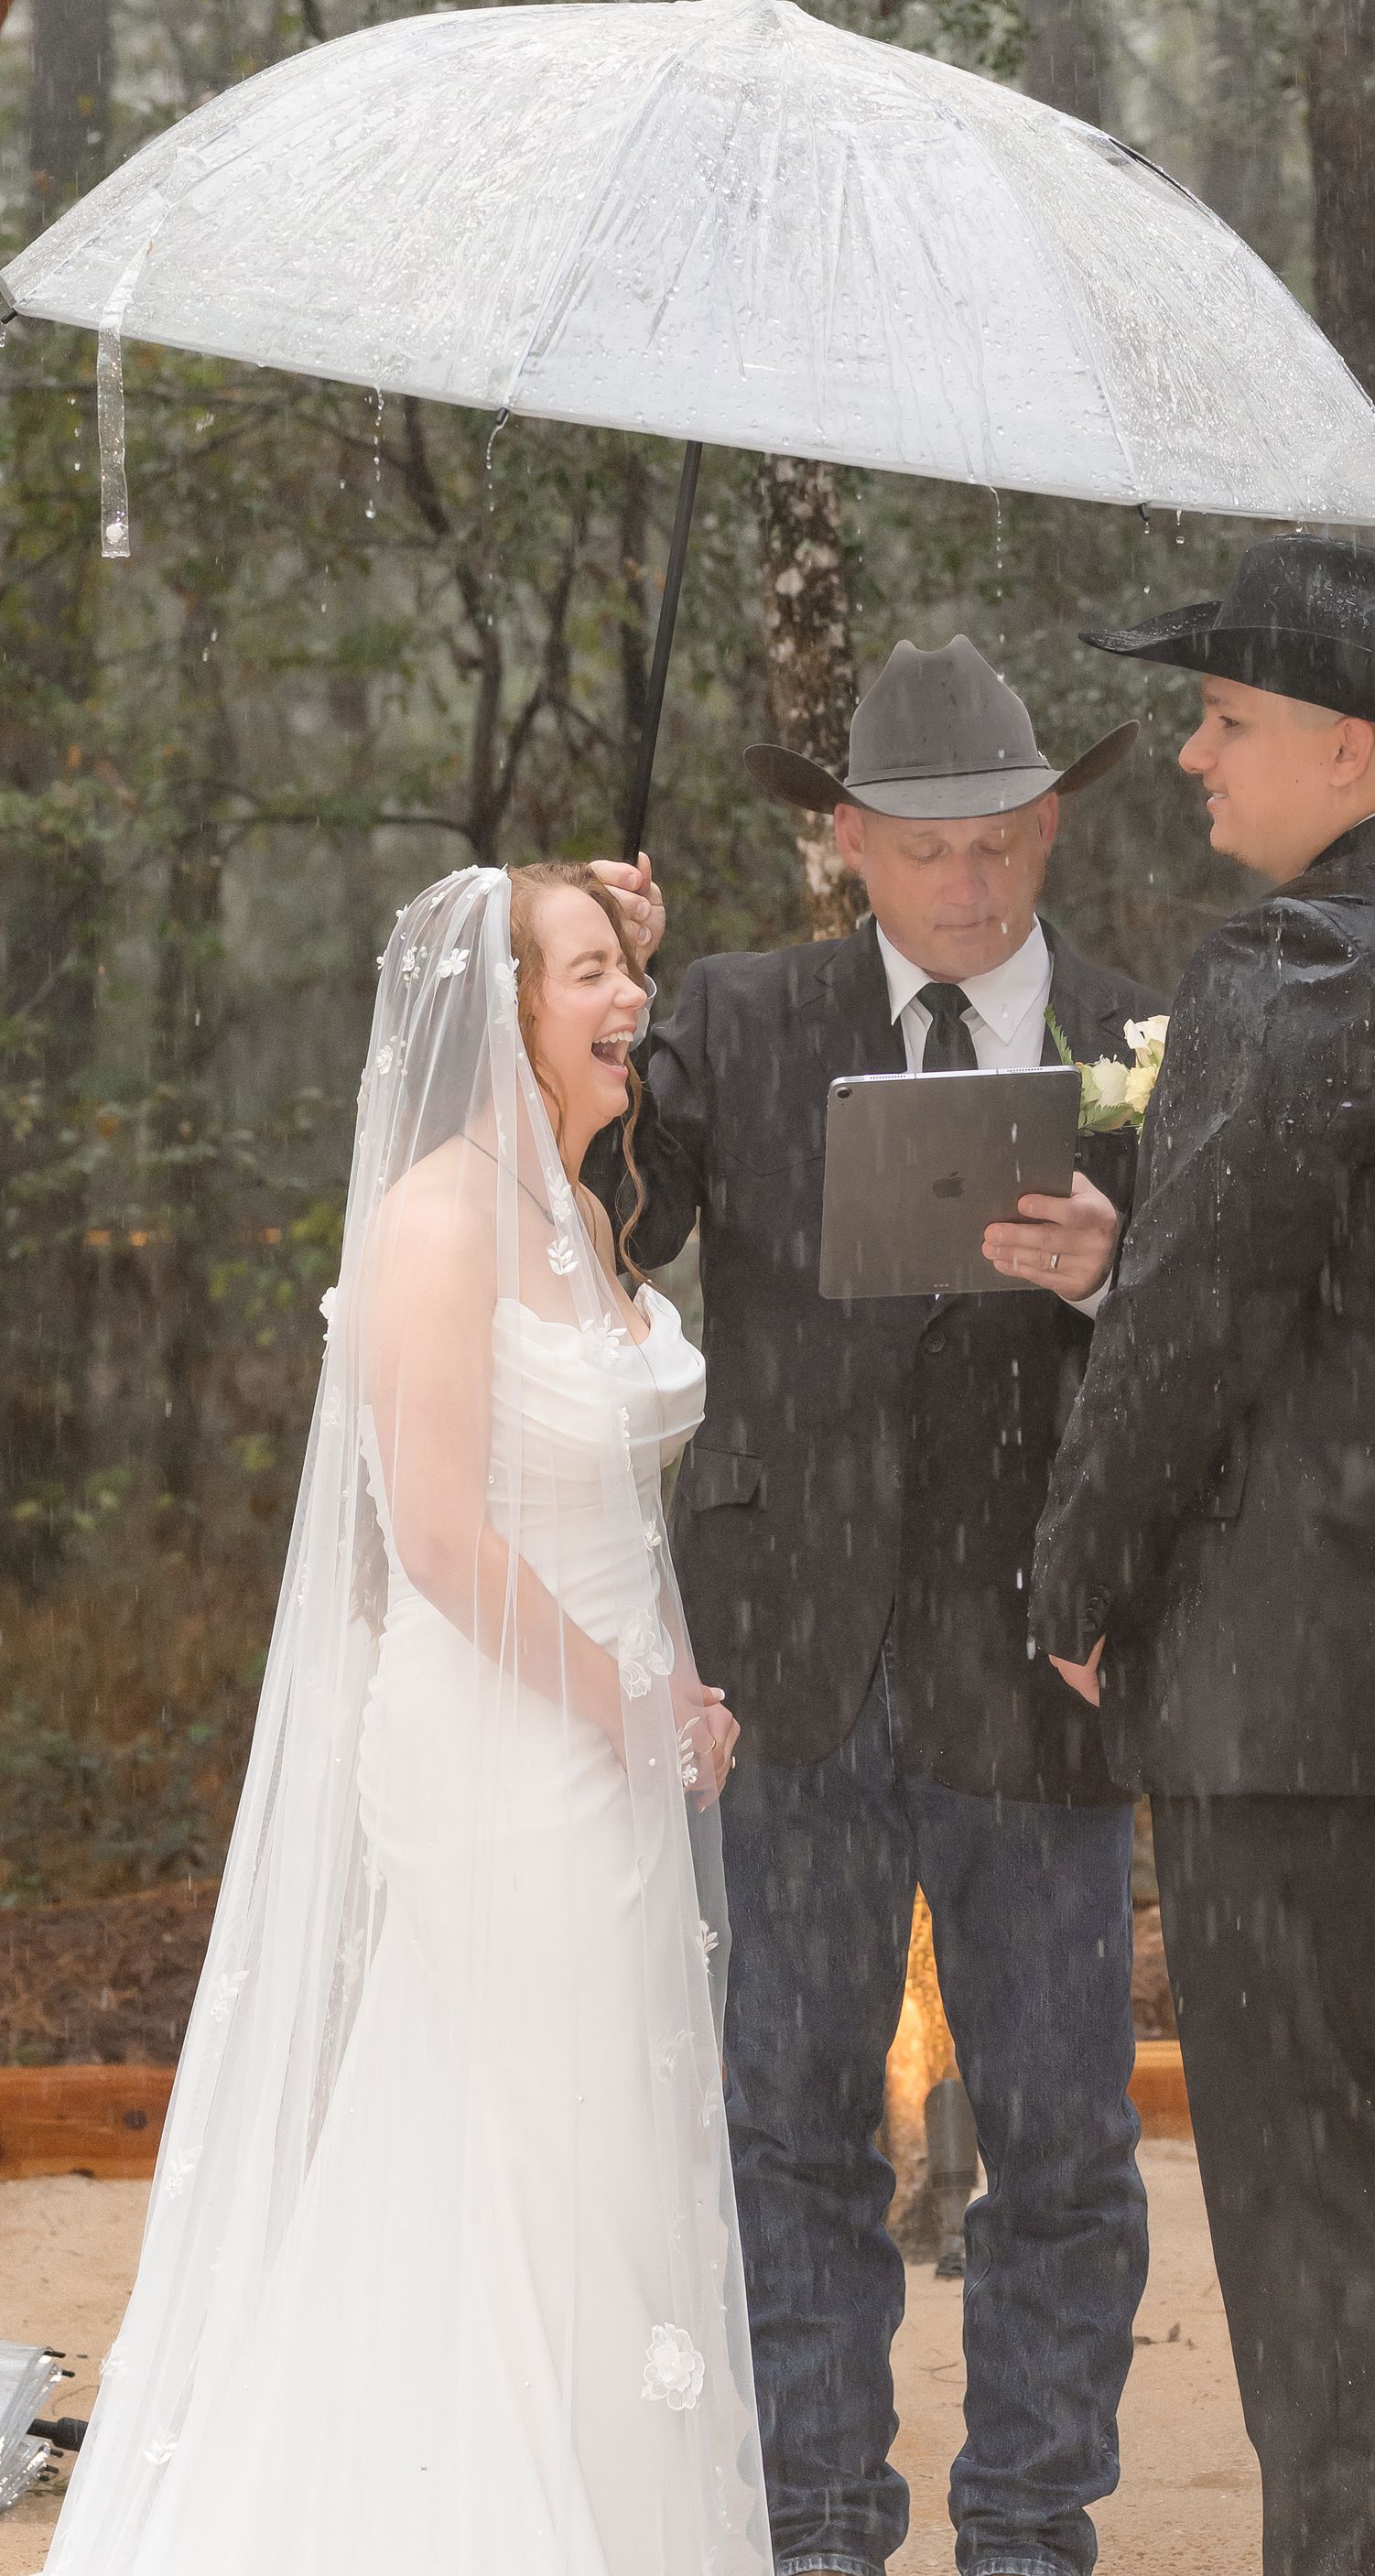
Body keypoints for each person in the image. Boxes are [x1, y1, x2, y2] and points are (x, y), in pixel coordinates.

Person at [45, 864, 769, 2576]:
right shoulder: (439, 1223)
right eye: (589, 976)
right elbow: (437, 1539)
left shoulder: (579, 1211)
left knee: (590, 2161)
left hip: (603, 1739)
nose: (632, 1001)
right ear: (504, 1013)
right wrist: (629, 1703)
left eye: (627, 972)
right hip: (499, 1758)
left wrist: (669, 1693)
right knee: (535, 2159)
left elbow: (610, 1513)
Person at [585, 635, 1164, 2576]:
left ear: (1052, 822)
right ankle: (818, 2518)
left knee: (1065, 2138)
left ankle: (1030, 2526)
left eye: (1001, 839)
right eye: (926, 846)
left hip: (1046, 1662)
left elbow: (1229, 1347)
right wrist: (596, 989)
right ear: (847, 840)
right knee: (788, 2124)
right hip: (789, 1661)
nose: (969, 880)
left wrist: (1118, 1270)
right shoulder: (738, 1016)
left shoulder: (1147, 1035)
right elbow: (605, 1217)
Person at [1029, 535, 1375, 2576]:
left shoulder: (1305, 966)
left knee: (1322, 2202)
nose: (1192, 754)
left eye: (1226, 716)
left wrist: (1078, 1578)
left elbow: (1193, 1330)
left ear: (1350, 741)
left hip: (1295, 1689)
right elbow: (1366, 1315)